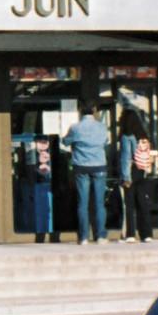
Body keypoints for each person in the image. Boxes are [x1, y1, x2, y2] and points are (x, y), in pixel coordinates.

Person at [61, 100, 110, 244]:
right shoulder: (101, 127)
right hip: (99, 166)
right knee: (99, 203)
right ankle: (100, 235)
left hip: (81, 166)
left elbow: (65, 142)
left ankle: (83, 237)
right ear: (94, 110)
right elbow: (105, 142)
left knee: (83, 203)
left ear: (80, 110)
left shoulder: (76, 128)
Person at [118, 109, 157, 242]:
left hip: (131, 171)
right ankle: (147, 234)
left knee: (129, 204)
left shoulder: (126, 136)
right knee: (142, 203)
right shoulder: (143, 136)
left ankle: (130, 234)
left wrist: (126, 177)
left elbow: (126, 158)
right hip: (142, 171)